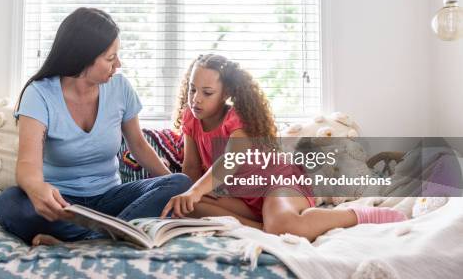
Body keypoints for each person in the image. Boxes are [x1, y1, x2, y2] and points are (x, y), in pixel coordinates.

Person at [0, 7, 191, 245]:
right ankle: (112, 235)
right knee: (9, 203)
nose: (117, 64)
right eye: (110, 58)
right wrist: (37, 189)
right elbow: (28, 163)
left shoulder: (120, 88)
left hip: (110, 199)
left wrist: (176, 191)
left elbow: (139, 146)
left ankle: (85, 239)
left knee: (179, 182)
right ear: (82, 58)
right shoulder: (39, 94)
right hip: (62, 204)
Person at [160, 54, 406, 241]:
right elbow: (191, 166)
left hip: (276, 184)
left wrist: (195, 191)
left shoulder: (236, 119)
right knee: (185, 209)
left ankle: (359, 215)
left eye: (207, 92)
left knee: (284, 226)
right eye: (192, 89)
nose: (196, 99)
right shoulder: (191, 118)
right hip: (242, 198)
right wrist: (189, 194)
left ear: (226, 94)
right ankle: (263, 227)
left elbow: (230, 162)